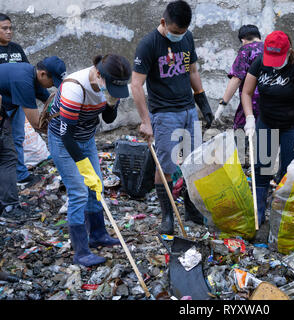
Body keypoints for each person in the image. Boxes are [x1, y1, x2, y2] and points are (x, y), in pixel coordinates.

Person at [131, 0, 212, 235]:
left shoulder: (186, 38)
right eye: (176, 32)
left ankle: (190, 208)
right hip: (164, 113)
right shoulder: (148, 45)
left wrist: (203, 101)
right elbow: (136, 85)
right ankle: (167, 215)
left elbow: (192, 71)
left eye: (184, 31)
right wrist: (146, 121)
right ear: (163, 22)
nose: (180, 35)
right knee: (167, 166)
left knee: (192, 163)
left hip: (188, 109)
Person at [47, 54, 131, 267]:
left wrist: (112, 102)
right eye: (111, 86)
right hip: (63, 142)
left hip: (86, 138)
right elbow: (66, 135)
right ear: (99, 75)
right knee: (79, 191)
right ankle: (81, 251)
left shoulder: (110, 86)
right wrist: (84, 167)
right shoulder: (75, 88)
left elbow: (108, 119)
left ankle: (98, 234)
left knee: (97, 187)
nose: (113, 90)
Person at [241, 31, 294, 225]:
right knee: (261, 169)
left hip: (292, 126)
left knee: (289, 172)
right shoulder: (260, 62)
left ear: (288, 51)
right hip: (267, 122)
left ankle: (283, 218)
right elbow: (246, 92)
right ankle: (258, 214)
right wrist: (249, 117)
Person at [0, 56, 66, 220]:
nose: (52, 85)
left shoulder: (32, 76)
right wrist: (62, 135)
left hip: (6, 108)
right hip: (3, 109)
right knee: (7, 157)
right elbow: (37, 123)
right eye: (52, 81)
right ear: (43, 74)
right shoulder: (24, 81)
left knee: (10, 151)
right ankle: (9, 208)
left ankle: (9, 202)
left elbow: (49, 101)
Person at [0, 13, 48, 187]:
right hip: (1, 104)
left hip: (16, 102)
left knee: (18, 138)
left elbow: (30, 75)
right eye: (4, 28)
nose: (9, 32)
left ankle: (20, 174)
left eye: (10, 28)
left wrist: (46, 98)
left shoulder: (16, 49)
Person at [214, 25, 263, 129]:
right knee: (267, 141)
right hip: (271, 105)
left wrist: (222, 105)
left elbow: (236, 79)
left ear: (243, 40)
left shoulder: (246, 50)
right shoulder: (270, 49)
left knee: (243, 137)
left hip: (251, 104)